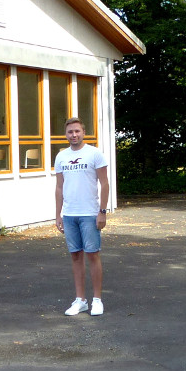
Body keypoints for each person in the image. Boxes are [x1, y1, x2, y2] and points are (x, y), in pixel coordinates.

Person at [54, 117, 110, 316]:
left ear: (83, 132)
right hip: (69, 215)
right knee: (75, 256)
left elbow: (104, 184)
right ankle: (80, 300)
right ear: (66, 134)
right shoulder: (61, 156)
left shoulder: (94, 154)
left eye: (77, 131)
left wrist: (102, 212)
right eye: (70, 132)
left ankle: (97, 300)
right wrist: (58, 215)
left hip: (89, 214)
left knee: (92, 255)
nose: (73, 135)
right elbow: (59, 187)